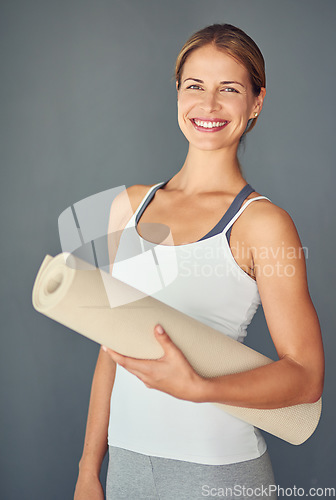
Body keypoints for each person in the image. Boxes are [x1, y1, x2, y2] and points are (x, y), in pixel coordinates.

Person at [74, 24, 324, 500]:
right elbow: (112, 349)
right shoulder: (127, 207)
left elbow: (306, 376)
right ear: (177, 95)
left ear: (256, 102)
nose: (208, 106)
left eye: (229, 89)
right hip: (126, 464)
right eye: (195, 87)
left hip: (217, 472)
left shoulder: (263, 224)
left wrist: (199, 388)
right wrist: (89, 469)